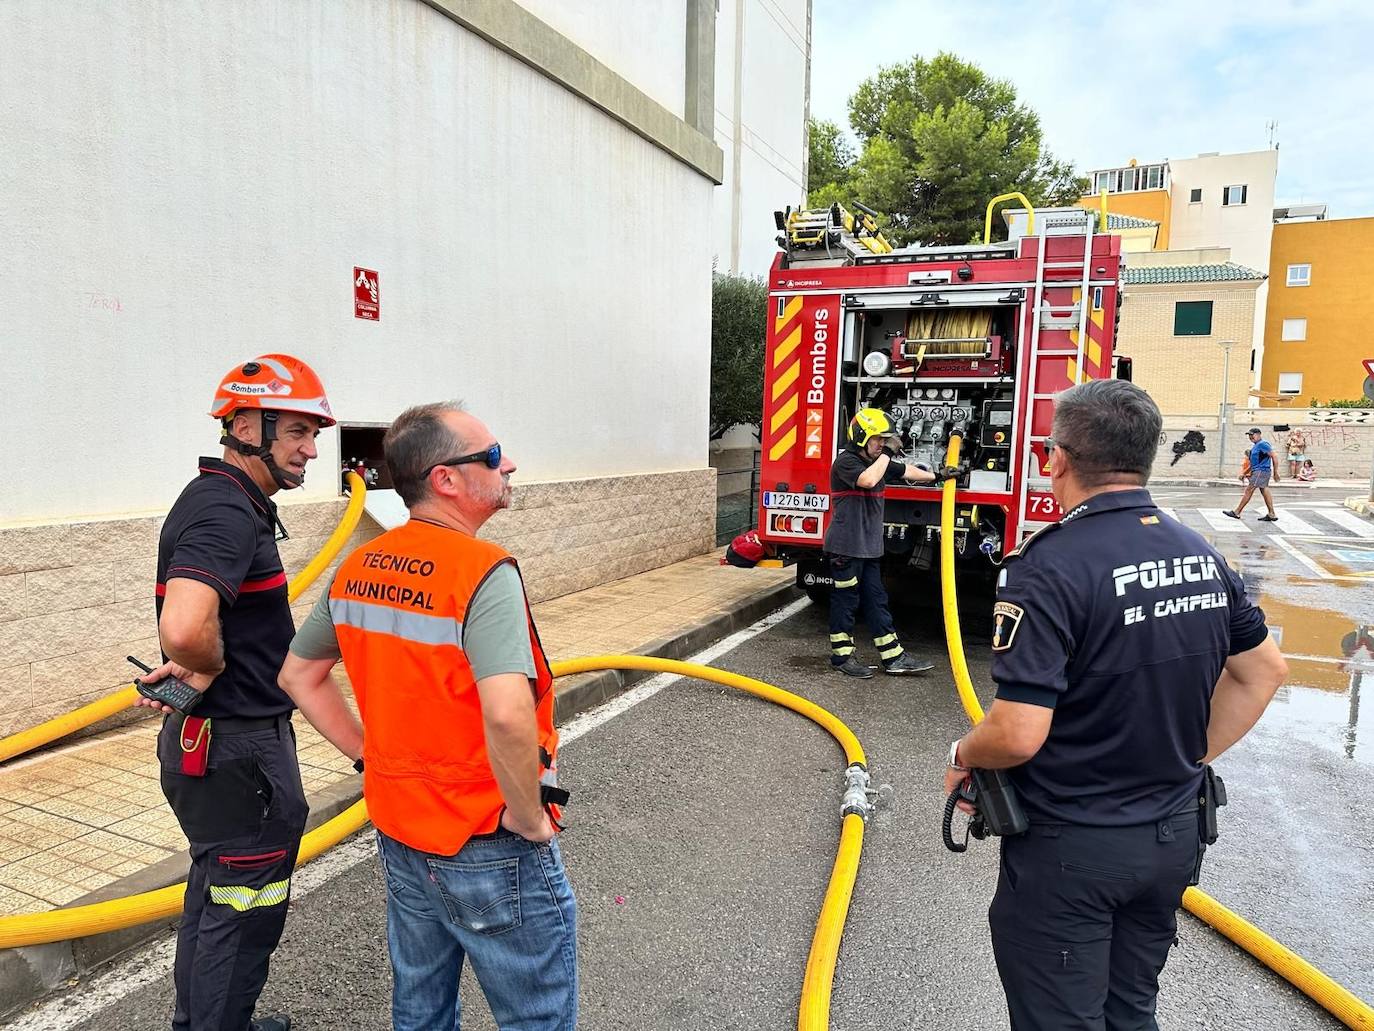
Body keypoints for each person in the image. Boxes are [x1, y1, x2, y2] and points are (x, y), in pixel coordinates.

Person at [942, 379, 1287, 1030]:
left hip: (1074, 848)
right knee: (1131, 1012)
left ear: (1058, 459)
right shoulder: (1199, 555)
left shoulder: (1045, 567)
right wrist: (1184, 756)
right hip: (1171, 837)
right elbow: (1264, 671)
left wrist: (963, 753)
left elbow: (1016, 733)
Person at [277, 401, 576, 1031]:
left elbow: (298, 676)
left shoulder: (357, 568)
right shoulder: (481, 571)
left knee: (421, 1005)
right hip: (485, 832)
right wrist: (528, 819)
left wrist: (370, 758)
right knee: (535, 1016)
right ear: (446, 479)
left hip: (402, 829)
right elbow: (507, 714)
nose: (509, 464)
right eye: (492, 457)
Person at [136, 355, 335, 1031]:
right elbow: (187, 626)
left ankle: (204, 1023)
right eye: (300, 431)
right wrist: (207, 661)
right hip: (240, 750)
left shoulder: (228, 500)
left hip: (221, 746)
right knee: (242, 906)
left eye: (315, 433)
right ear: (248, 424)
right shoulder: (225, 509)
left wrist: (203, 662)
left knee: (217, 895)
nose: (312, 449)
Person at [825, 407, 964, 678]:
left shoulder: (878, 462)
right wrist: (888, 453)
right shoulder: (846, 462)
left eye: (884, 439)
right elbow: (868, 480)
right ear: (861, 437)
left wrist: (939, 475)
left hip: (868, 550)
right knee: (846, 601)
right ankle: (841, 658)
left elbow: (906, 470)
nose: (882, 444)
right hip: (845, 549)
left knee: (877, 600)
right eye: (878, 439)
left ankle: (894, 657)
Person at [1224, 427, 1280, 522]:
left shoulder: (1263, 444)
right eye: (1249, 435)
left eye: (1252, 435)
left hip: (1261, 471)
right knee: (1264, 490)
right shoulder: (1255, 446)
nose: (1250, 437)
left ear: (1258, 435)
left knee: (1249, 490)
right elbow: (1253, 463)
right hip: (1259, 471)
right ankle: (1271, 514)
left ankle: (1237, 512)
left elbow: (1274, 456)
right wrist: (1245, 473)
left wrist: (1276, 473)